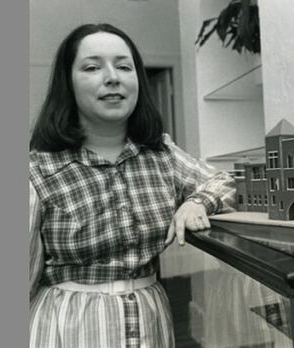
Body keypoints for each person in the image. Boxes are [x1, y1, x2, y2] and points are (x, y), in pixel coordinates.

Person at [29, 23, 235, 347]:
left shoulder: (161, 154)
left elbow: (225, 181)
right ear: (67, 82)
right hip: (69, 328)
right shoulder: (38, 169)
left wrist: (198, 202)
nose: (112, 77)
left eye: (124, 66)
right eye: (92, 67)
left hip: (151, 320)